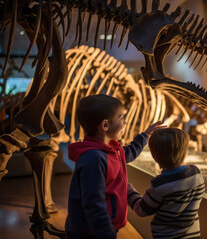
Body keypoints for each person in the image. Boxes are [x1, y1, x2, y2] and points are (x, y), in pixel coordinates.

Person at [65, 94, 166, 239]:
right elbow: (94, 204)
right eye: (122, 118)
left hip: (104, 226)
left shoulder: (112, 149)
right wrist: (106, 234)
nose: (125, 123)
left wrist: (145, 135)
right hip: (90, 232)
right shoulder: (93, 159)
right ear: (105, 125)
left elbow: (128, 153)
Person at [127, 127, 205, 239]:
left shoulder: (159, 184)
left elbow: (142, 210)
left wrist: (128, 190)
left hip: (166, 236)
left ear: (154, 156)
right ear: (185, 152)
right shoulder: (196, 173)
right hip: (192, 234)